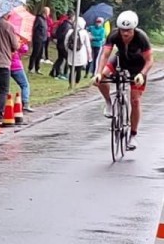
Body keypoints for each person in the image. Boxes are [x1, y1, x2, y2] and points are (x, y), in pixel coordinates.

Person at [94, 10, 154, 149]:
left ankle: (133, 135)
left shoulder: (141, 37)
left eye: (129, 31)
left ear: (134, 29)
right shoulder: (114, 35)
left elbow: (149, 60)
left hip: (138, 66)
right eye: (123, 30)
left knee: (135, 100)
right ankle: (109, 102)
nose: (125, 34)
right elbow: (105, 55)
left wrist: (142, 74)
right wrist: (98, 73)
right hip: (120, 60)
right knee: (100, 79)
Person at [64, 17, 92, 83]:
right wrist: (89, 54)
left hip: (71, 53)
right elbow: (88, 45)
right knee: (79, 70)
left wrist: (67, 50)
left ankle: (70, 84)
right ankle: (77, 83)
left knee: (71, 70)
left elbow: (66, 42)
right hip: (80, 54)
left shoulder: (70, 31)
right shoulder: (84, 32)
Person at [10, 41, 33, 113]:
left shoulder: (3, 40)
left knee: (4, 88)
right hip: (16, 66)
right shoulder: (18, 40)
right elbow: (24, 49)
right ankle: (25, 103)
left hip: (5, 65)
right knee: (25, 85)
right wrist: (24, 42)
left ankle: (6, 105)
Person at [50, 12, 73, 79]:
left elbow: (58, 33)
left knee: (60, 59)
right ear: (72, 17)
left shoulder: (63, 23)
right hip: (63, 45)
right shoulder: (68, 25)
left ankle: (54, 72)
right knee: (67, 59)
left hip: (60, 44)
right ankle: (63, 73)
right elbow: (64, 35)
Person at [28, 8, 48, 74]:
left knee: (40, 54)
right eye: (48, 12)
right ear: (45, 12)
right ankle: (31, 68)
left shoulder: (44, 20)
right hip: (38, 39)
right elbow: (34, 28)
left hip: (43, 39)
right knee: (35, 53)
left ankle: (37, 68)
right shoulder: (39, 19)